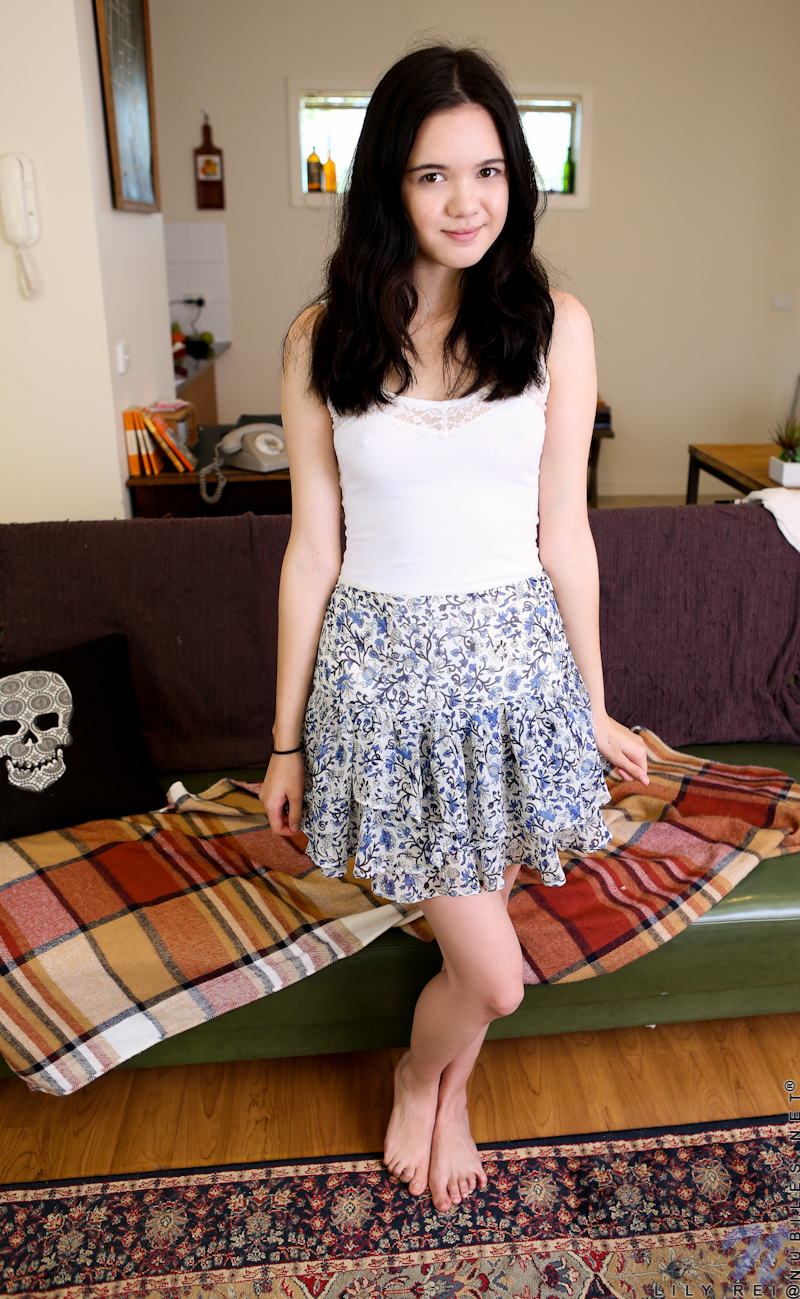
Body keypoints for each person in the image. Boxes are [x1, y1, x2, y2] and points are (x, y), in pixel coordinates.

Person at [260, 43, 649, 1216]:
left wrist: (589, 706)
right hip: (379, 693)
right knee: (495, 976)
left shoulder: (554, 325)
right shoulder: (323, 336)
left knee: (479, 957)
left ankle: (450, 1090)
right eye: (433, 175)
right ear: (389, 184)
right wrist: (283, 743)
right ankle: (414, 1076)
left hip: (516, 689)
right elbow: (312, 550)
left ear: (514, 180)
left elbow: (564, 535)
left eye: (488, 171)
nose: (466, 201)